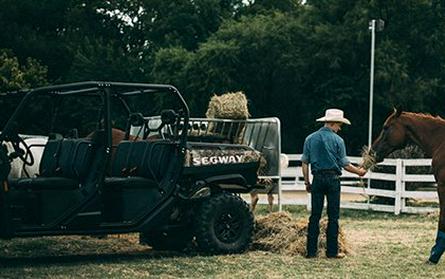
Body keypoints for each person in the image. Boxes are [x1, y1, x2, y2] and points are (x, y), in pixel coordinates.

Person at [301, 108, 367, 259]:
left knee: (314, 216)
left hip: (317, 178)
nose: (339, 128)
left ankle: (311, 252)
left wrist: (307, 182)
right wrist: (359, 172)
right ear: (332, 123)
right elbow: (345, 164)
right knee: (333, 217)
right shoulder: (338, 141)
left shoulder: (310, 139)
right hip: (333, 180)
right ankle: (331, 252)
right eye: (339, 125)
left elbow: (304, 163)